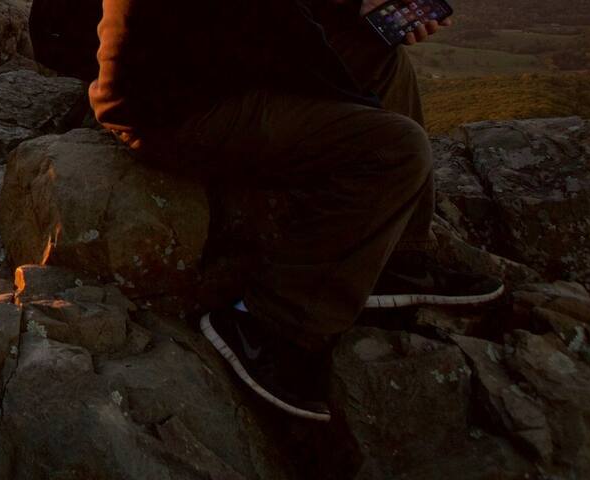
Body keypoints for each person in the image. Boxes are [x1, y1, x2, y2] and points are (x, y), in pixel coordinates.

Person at [91, 0, 504, 421]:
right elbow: (289, 41)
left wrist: (361, 19)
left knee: (384, 57)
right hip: (172, 112)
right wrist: (359, 112)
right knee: (396, 148)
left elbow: (292, 23)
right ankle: (266, 326)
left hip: (222, 72)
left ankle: (396, 255)